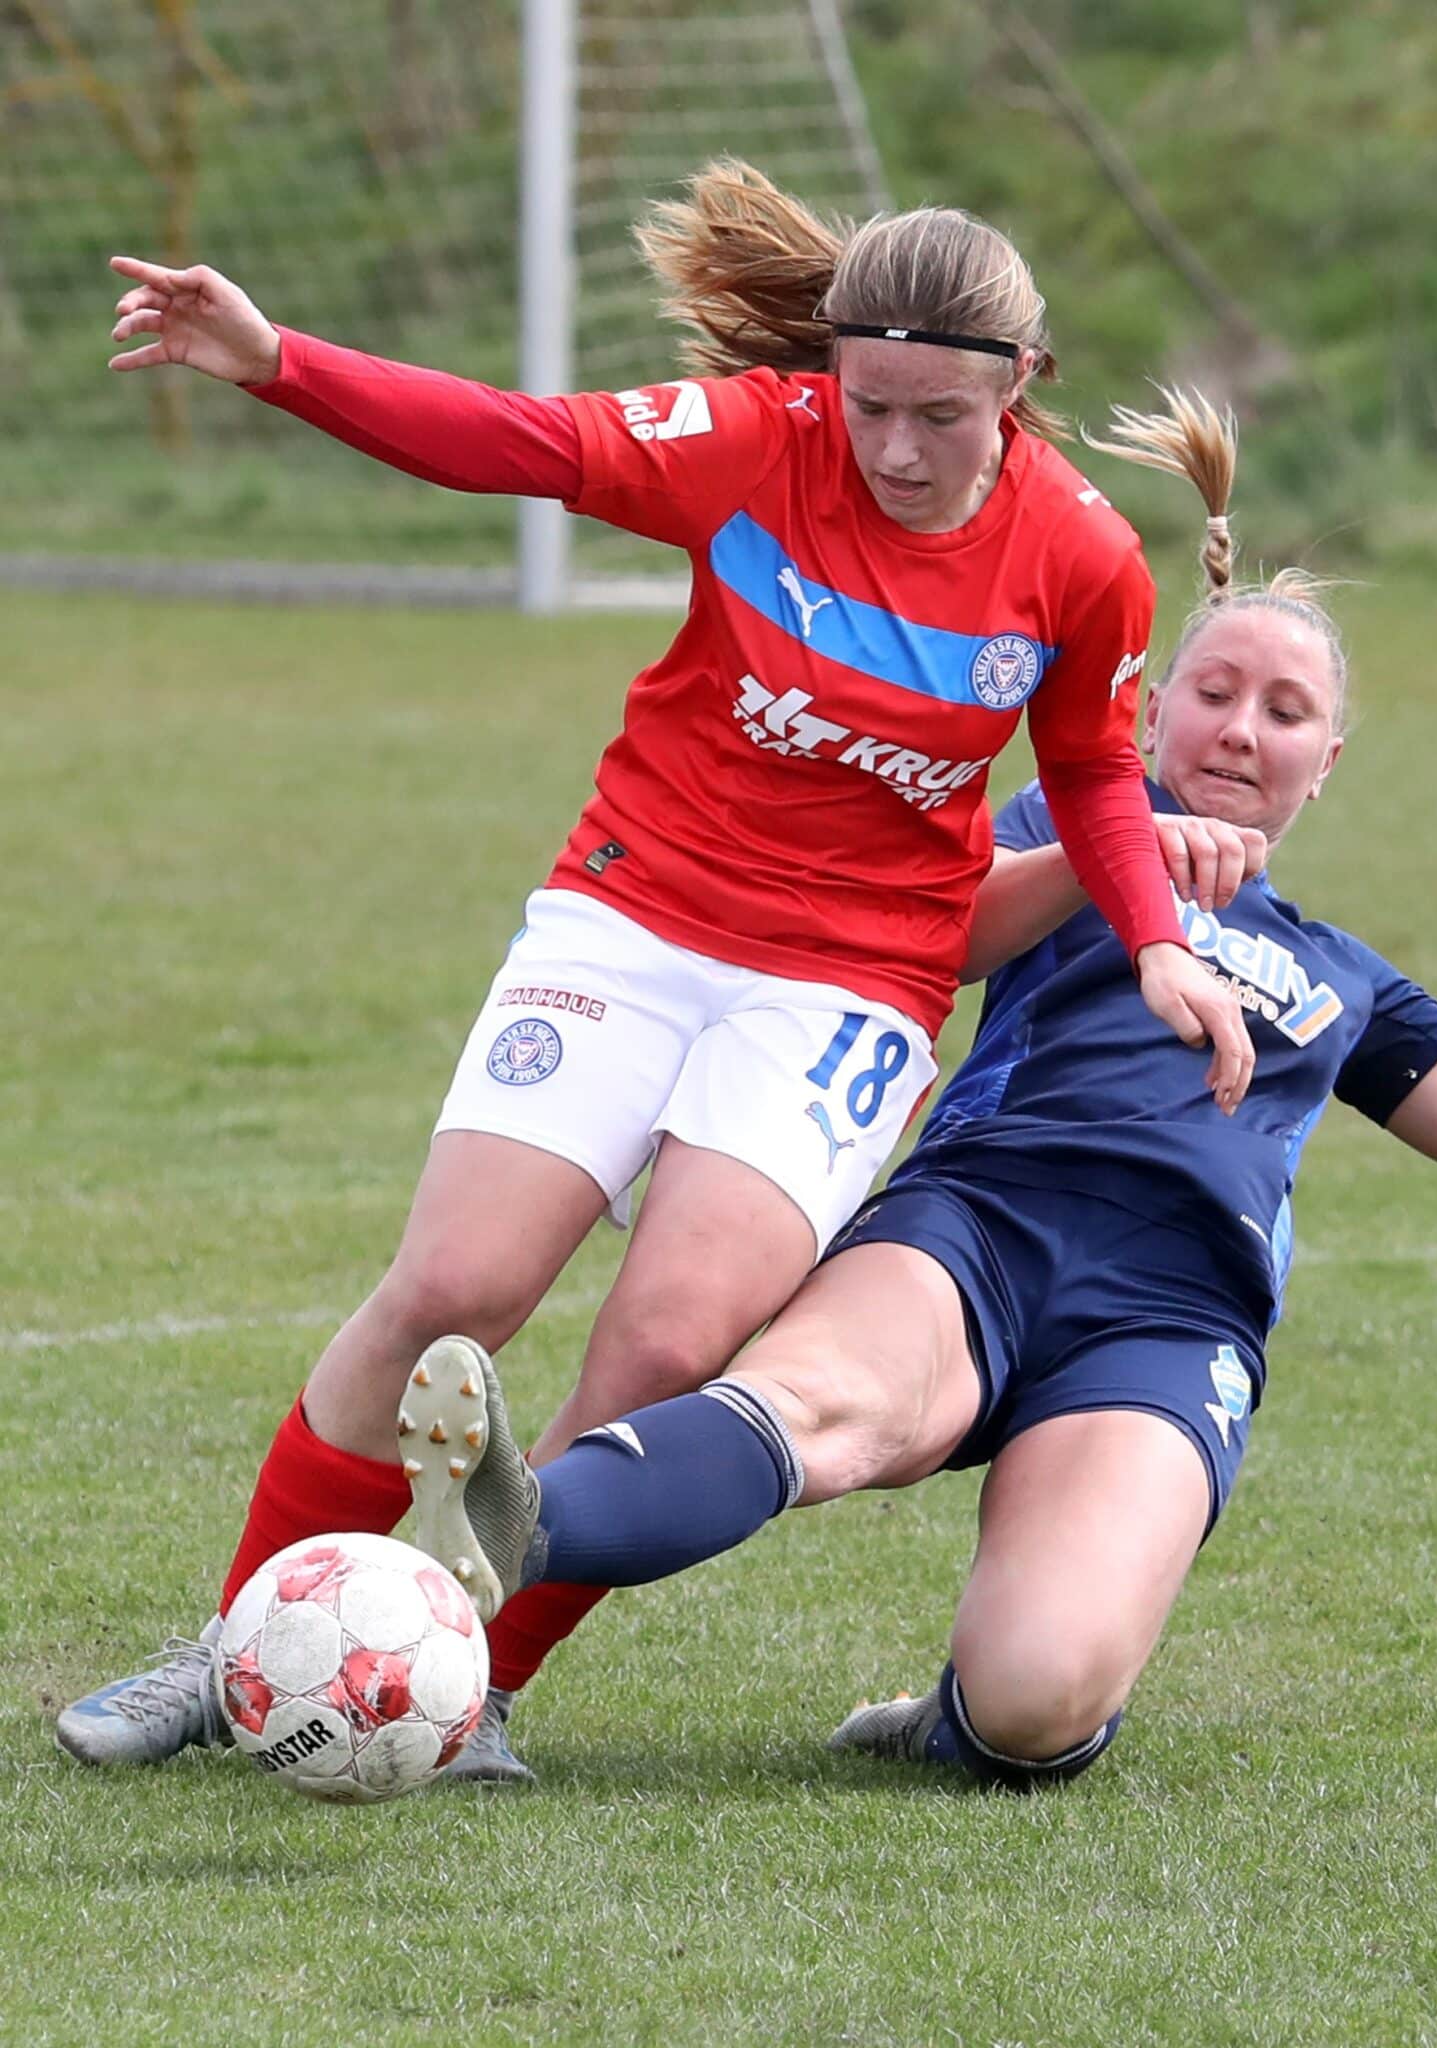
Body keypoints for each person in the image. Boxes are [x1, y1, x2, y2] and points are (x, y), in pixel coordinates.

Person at [57, 164, 1251, 1782]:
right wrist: (283, 364)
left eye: (941, 418)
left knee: (672, 1350)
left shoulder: (1084, 558)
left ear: (1021, 388)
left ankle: (471, 1680)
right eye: (869, 403)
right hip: (638, 908)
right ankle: (235, 1653)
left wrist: (1160, 946)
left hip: (852, 983)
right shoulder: (757, 439)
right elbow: (523, 440)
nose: (894, 450)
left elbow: (1100, 774)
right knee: (453, 1291)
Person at [394, 389, 1437, 1792]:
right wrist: (1133, 865)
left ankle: (961, 1710)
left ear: (1328, 762)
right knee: (807, 1409)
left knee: (1032, 1707)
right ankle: (503, 1528)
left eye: (1286, 712)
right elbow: (923, 921)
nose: (1243, 731)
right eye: (1216, 697)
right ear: (1155, 714)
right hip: (976, 1233)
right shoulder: (1071, 834)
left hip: (1170, 1319)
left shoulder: (1348, 981)